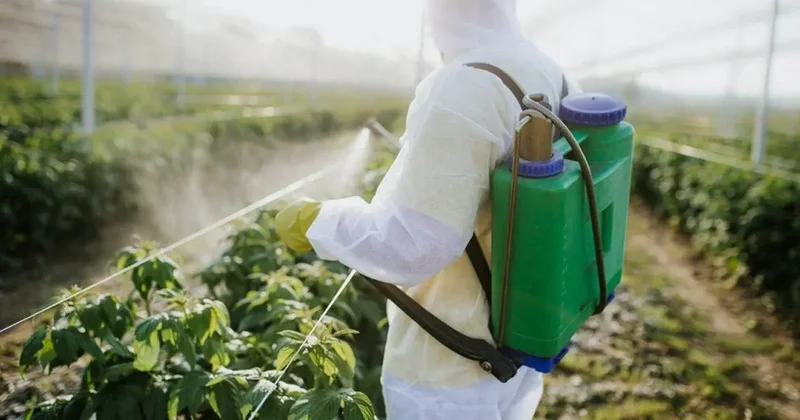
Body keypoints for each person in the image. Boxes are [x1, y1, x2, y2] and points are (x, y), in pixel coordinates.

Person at [274, 0, 580, 418]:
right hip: (518, 336)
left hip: (448, 367)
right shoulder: (548, 70)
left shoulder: (467, 87)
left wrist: (321, 222)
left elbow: (414, 245)